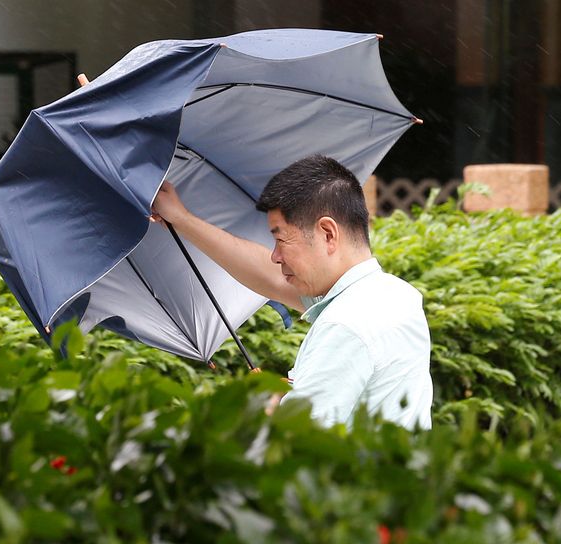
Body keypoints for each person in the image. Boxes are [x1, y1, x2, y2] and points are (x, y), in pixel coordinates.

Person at [151, 155, 432, 430]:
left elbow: (298, 446)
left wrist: (269, 410)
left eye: (281, 239)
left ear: (328, 234)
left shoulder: (345, 324)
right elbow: (271, 277)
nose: (275, 256)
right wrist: (182, 219)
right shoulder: (393, 295)